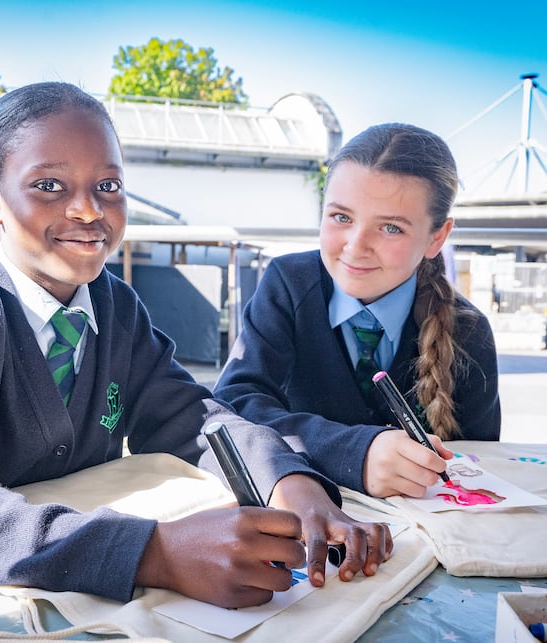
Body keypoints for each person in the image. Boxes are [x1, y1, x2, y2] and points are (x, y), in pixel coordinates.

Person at [0, 82, 392, 609]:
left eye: (109, 186)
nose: (89, 210)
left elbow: (195, 416)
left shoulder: (115, 307)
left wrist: (290, 483)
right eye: (49, 186)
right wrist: (152, 551)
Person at [214, 122, 500, 499]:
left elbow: (479, 460)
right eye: (342, 217)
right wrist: (356, 453)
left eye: (391, 228)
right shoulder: (287, 284)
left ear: (437, 237)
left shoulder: (469, 331)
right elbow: (233, 403)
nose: (356, 246)